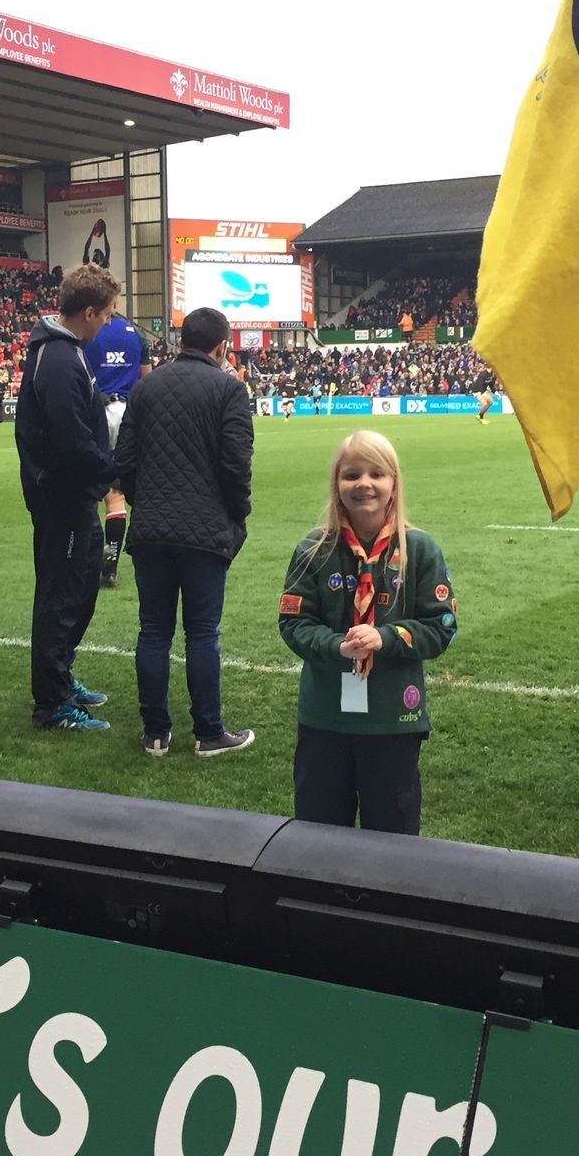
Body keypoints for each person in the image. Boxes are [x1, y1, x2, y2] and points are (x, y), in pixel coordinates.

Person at [279, 432, 457, 834]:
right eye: (351, 474)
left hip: (393, 720)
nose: (364, 483)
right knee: (318, 837)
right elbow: (293, 623)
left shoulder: (420, 550)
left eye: (377, 473)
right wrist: (337, 646)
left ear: (394, 483)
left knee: (392, 842)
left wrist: (387, 637)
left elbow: (441, 627)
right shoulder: (314, 549)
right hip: (325, 719)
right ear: (336, 484)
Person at [114, 306, 256, 758]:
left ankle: (155, 732)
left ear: (181, 341)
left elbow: (125, 462)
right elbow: (237, 465)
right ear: (221, 346)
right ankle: (209, 732)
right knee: (201, 633)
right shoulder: (229, 390)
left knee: (153, 631)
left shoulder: (145, 387)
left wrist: (146, 504)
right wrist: (237, 517)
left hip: (151, 528)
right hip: (205, 529)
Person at [16, 264, 121, 731]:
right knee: (62, 596)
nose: (110, 323)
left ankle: (61, 677)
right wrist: (115, 471)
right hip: (63, 495)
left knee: (80, 592)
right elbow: (71, 438)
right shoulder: (59, 358)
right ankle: (52, 701)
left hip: (73, 493)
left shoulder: (64, 352)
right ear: (91, 312)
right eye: (109, 314)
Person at [88, 303, 145, 589]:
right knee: (116, 494)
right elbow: (145, 379)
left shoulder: (91, 330)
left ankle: (85, 562)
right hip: (127, 416)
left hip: (97, 412)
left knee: (86, 490)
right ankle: (109, 568)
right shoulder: (136, 335)